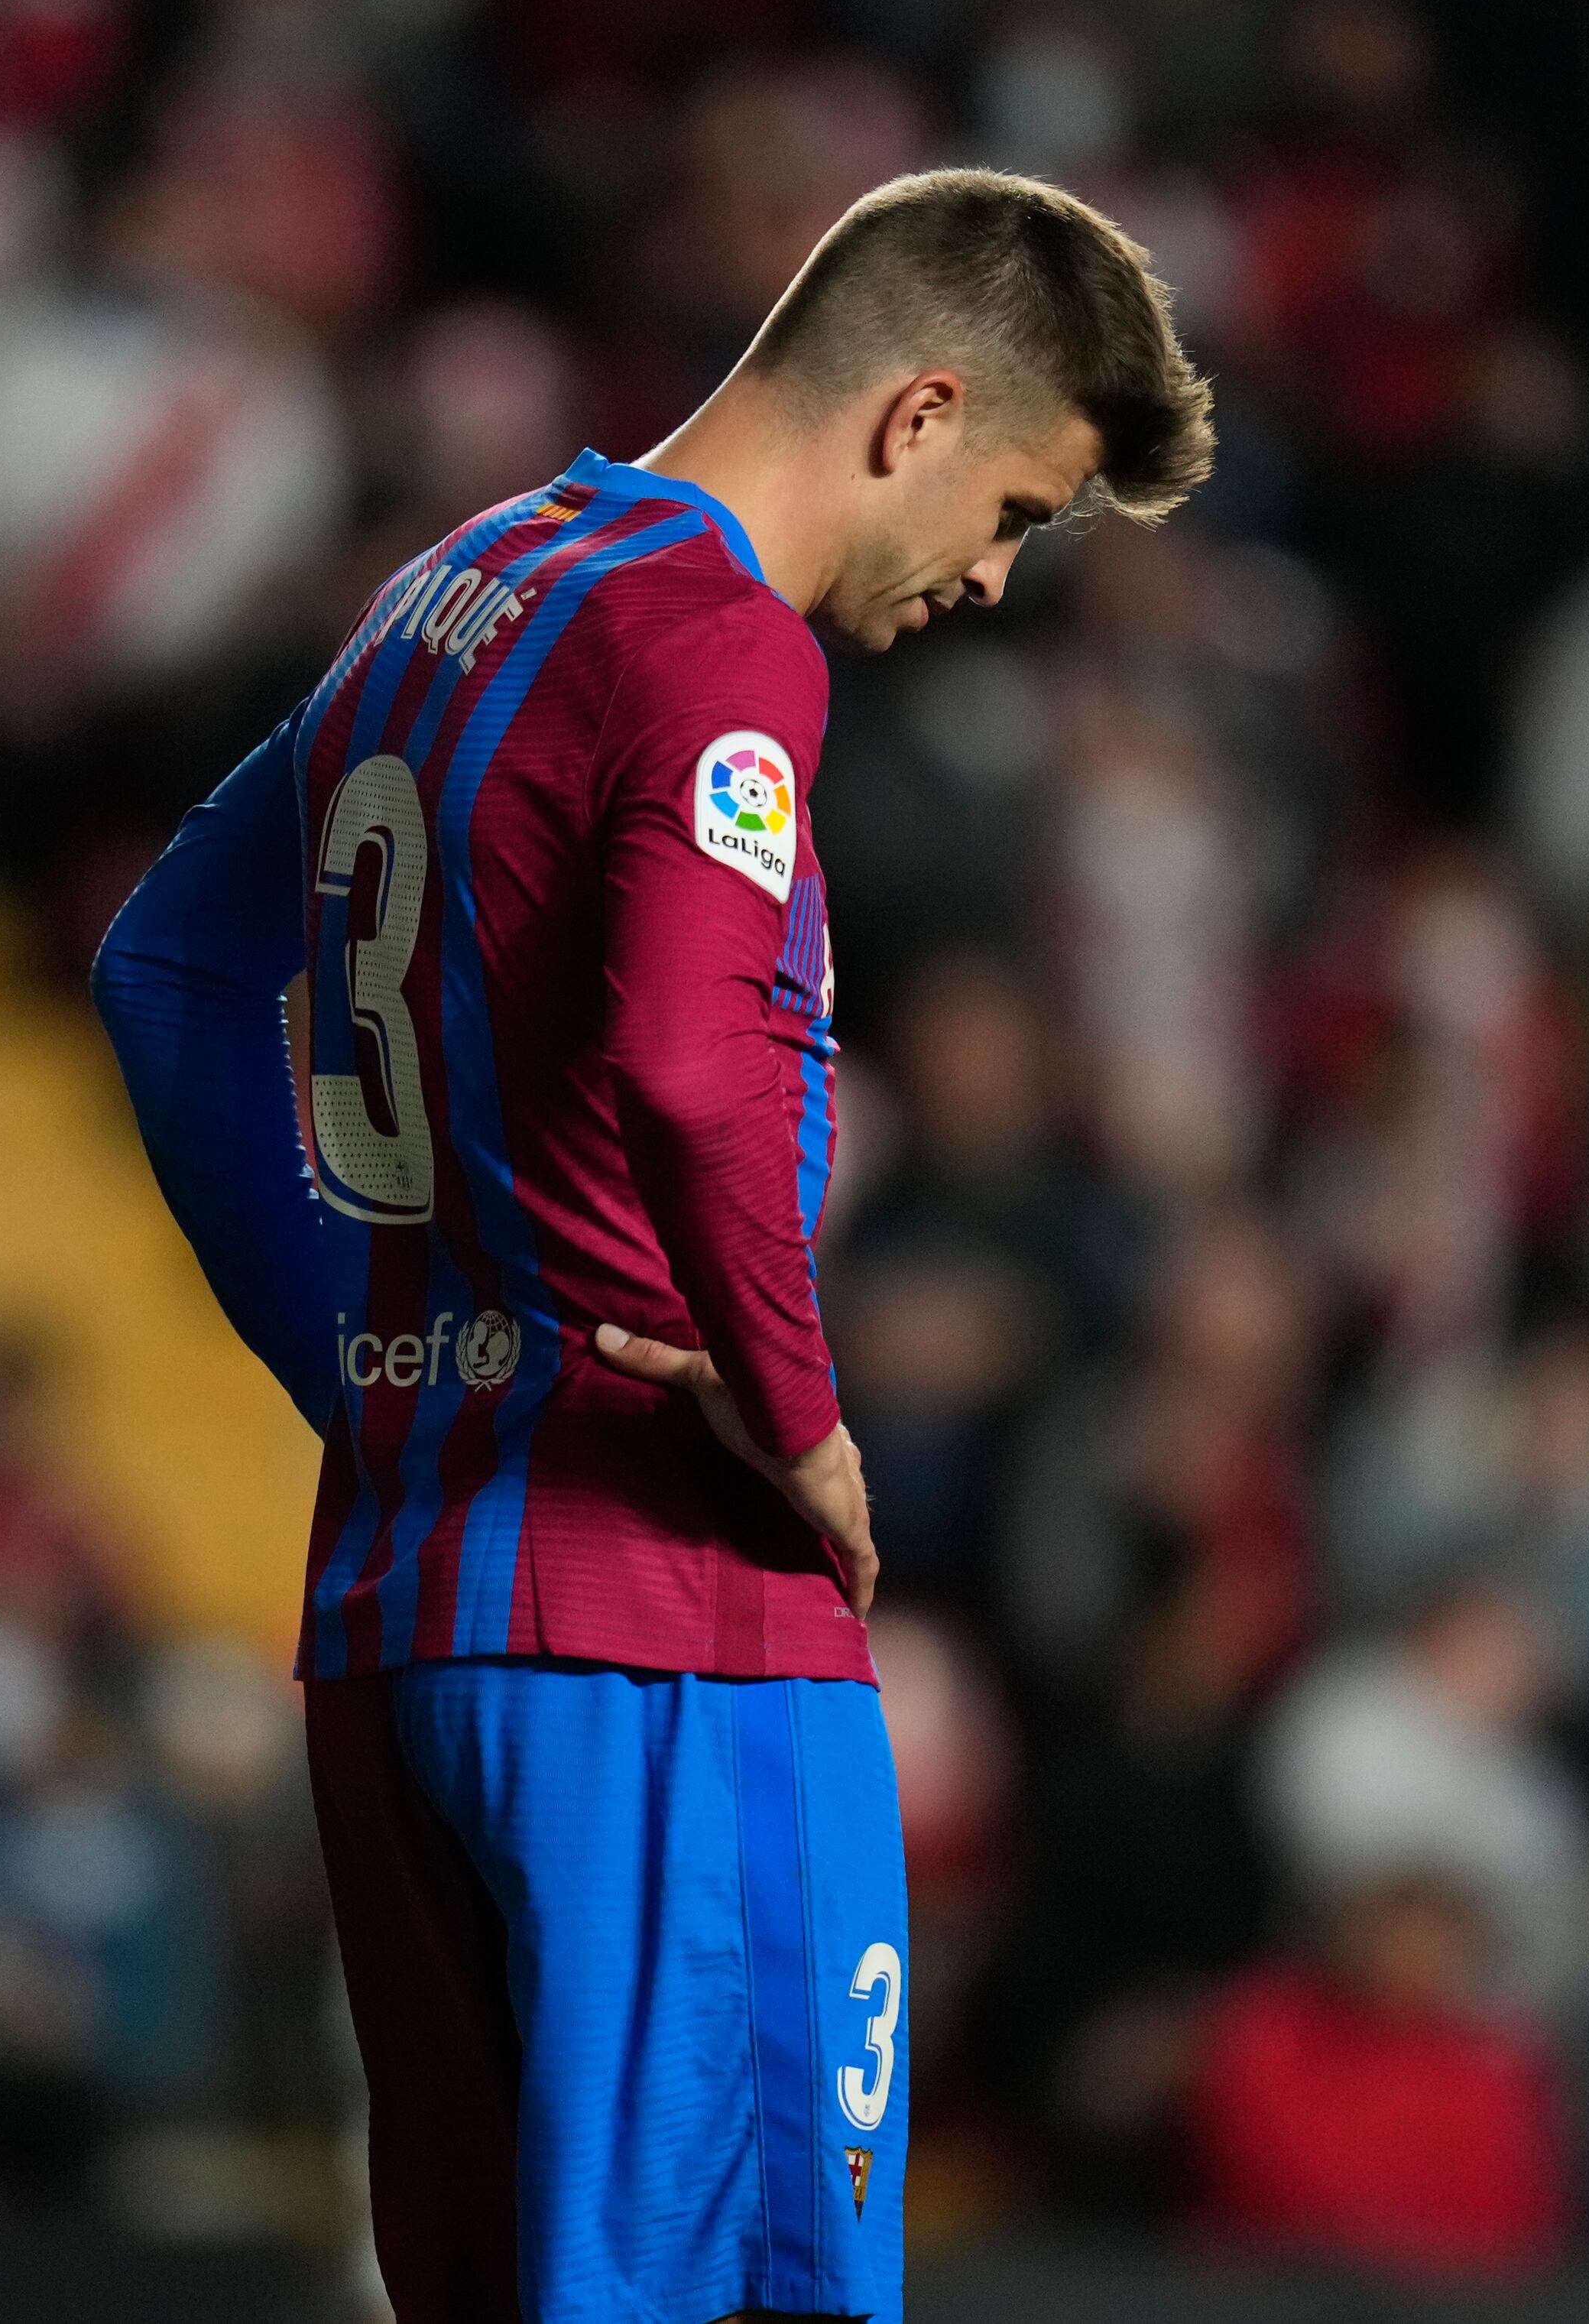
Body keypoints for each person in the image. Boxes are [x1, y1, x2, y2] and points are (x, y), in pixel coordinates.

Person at [94, 167, 1212, 2324]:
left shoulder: (465, 583)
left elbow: (168, 974)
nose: (991, 578)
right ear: (918, 412)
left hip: (403, 1614)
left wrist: (367, 1367)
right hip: (665, 1631)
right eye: (1017, 510)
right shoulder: (713, 641)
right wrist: (795, 1417)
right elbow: (692, 1059)